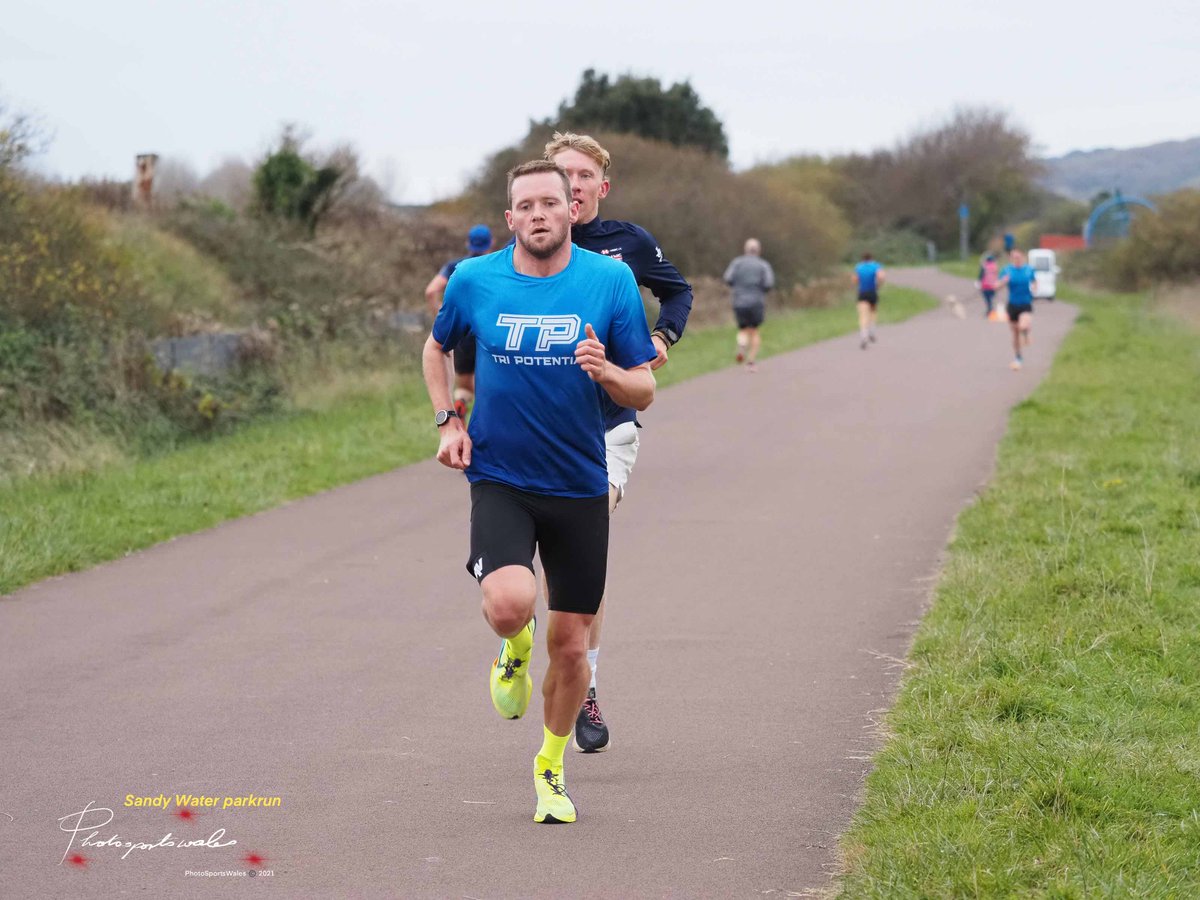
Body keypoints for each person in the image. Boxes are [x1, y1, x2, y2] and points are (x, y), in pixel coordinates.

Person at [422, 159, 657, 824]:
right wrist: (448, 420)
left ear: (571, 209)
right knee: (509, 603)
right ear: (511, 218)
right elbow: (435, 350)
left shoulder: (610, 282)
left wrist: (608, 371)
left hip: (579, 484)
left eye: (550, 202)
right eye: (525, 206)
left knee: (575, 645)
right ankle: (512, 648)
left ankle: (549, 768)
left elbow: (644, 387)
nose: (539, 215)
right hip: (501, 476)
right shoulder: (475, 280)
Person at [544, 132, 693, 753]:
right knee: (522, 580)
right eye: (561, 176)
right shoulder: (527, 250)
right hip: (539, 430)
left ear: (600, 188)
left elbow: (678, 290)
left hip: (608, 428)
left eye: (583, 176)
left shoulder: (626, 244)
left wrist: (662, 341)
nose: (571, 186)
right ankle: (518, 639)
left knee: (582, 557)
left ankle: (587, 685)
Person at [424, 224, 494, 420]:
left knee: (463, 389)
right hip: (488, 332)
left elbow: (430, 291)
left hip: (462, 335)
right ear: (491, 243)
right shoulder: (495, 266)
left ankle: (461, 412)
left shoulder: (455, 267)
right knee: (490, 386)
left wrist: (441, 317)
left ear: (467, 243)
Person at [723, 238, 775, 371]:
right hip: (756, 301)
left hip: (739, 301)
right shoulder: (763, 265)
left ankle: (741, 345)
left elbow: (728, 278)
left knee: (743, 329)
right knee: (754, 331)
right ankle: (751, 362)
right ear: (759, 250)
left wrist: (738, 286)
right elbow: (769, 283)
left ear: (745, 250)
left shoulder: (737, 263)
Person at [997, 249, 1037, 370]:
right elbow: (996, 286)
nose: (1017, 259)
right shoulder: (1007, 271)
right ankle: (1018, 358)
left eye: (1018, 257)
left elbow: (1034, 281)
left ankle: (1025, 333)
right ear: (1011, 259)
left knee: (1023, 325)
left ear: (1023, 257)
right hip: (1013, 305)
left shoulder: (1029, 270)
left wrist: (1034, 288)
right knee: (1015, 333)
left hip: (1026, 303)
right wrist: (1003, 282)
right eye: (1014, 258)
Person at [853, 252, 885, 349]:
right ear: (872, 258)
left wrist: (859, 285)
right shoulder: (876, 266)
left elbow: (855, 279)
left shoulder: (858, 267)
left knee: (863, 315)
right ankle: (872, 332)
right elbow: (881, 277)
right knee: (873, 312)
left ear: (862, 259)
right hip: (872, 292)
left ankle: (864, 336)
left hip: (862, 293)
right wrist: (878, 285)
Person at [976, 253, 1000, 318]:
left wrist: (978, 284)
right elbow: (997, 276)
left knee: (987, 300)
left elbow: (981, 276)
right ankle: (990, 310)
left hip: (985, 286)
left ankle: (990, 310)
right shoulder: (995, 266)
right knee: (991, 299)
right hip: (993, 286)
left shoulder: (984, 266)